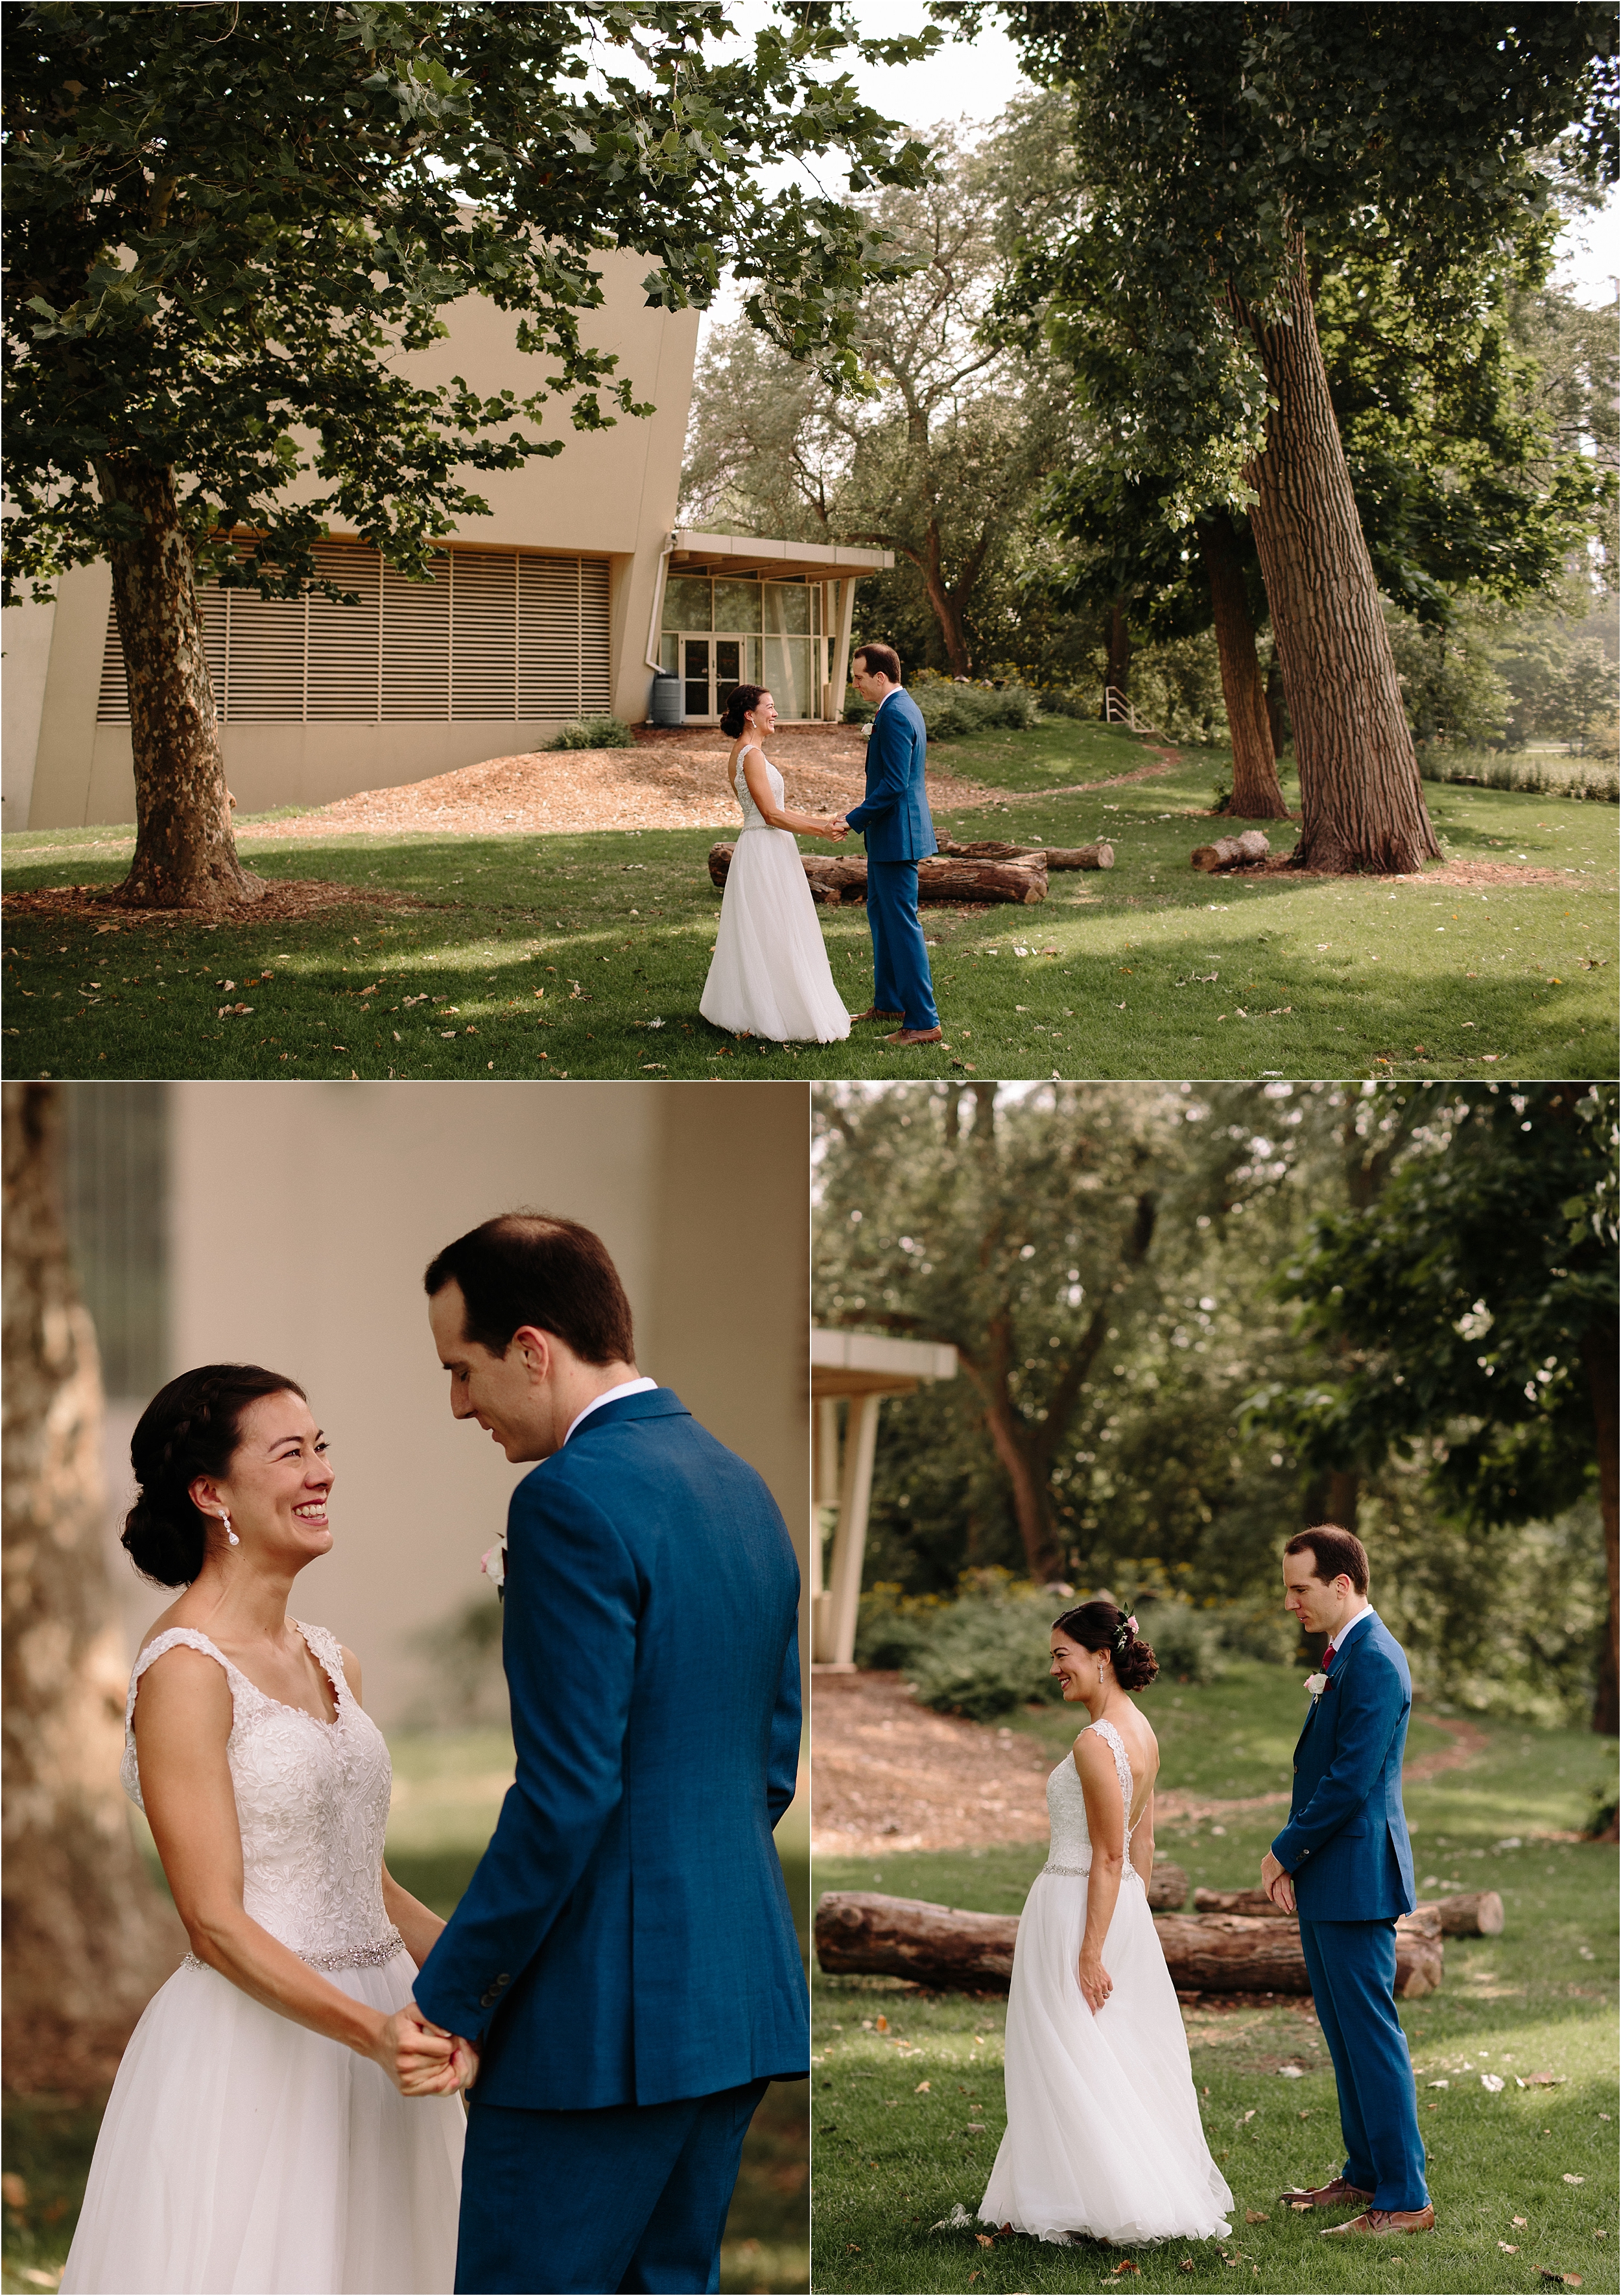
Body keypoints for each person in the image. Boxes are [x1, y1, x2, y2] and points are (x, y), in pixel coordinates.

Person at [409, 1213, 808, 2295]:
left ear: (533, 1349)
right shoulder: (743, 1487)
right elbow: (769, 1764)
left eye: (463, 1368)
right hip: (734, 2004)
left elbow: (568, 1793)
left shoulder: (568, 1500)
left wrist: (450, 1997)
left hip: (597, 2035)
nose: (459, 1404)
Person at [61, 1365, 466, 2296]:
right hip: (261, 2049)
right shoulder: (185, 1672)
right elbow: (212, 1920)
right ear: (211, 1494)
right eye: (291, 1453)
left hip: (384, 2038)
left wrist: (486, 1979)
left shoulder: (336, 1660)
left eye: (323, 1447)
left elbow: (369, 1881)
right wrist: (370, 2032)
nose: (321, 1471)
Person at [978, 1601, 1233, 2247]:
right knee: (1098, 2052)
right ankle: (1070, 2189)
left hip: (1074, 1906)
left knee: (1060, 2050)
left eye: (1062, 1655)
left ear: (1100, 1656)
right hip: (1118, 1905)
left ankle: (1083, 2197)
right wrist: (1129, 1918)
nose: (1054, 1669)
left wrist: (1092, 1949)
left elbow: (1108, 1851)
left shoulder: (1095, 1741)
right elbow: (1140, 1844)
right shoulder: (1140, 1730)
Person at [1263, 1527, 1434, 2237]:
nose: (1291, 1603)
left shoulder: (1375, 1660)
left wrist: (1284, 1849)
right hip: (1330, 1872)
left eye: (1299, 1589)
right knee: (1343, 2033)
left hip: (1358, 1874)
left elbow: (1350, 1780)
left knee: (1370, 2036)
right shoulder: (1345, 1653)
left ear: (1341, 1584)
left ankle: (1403, 2199)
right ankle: (1364, 2173)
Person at [699, 682, 853, 1043]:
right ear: (750, 714)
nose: (776, 713)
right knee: (775, 928)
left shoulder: (747, 753)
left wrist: (820, 823)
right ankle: (775, 1010)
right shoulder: (750, 755)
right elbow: (769, 814)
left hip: (768, 848)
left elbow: (774, 812)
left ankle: (767, 1003)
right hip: (764, 850)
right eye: (770, 706)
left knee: (774, 928)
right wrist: (822, 831)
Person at [832, 643, 942, 1048]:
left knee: (901, 926)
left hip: (898, 837)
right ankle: (891, 1003)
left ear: (880, 677)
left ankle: (924, 1022)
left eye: (859, 677)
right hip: (888, 836)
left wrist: (852, 819)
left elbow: (895, 784)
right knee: (882, 920)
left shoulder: (896, 714)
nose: (854, 684)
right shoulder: (896, 708)